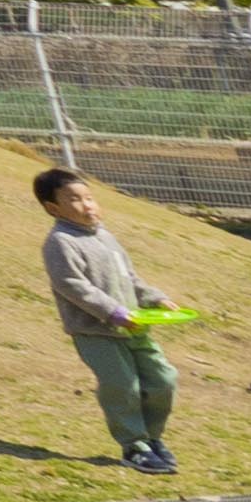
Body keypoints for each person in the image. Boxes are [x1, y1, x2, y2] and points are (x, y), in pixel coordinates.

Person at [36, 164, 184, 473]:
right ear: (53, 208)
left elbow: (129, 279)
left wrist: (155, 298)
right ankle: (133, 446)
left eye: (89, 197)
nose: (86, 204)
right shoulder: (61, 242)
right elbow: (72, 286)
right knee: (122, 386)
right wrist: (113, 312)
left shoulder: (105, 237)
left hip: (135, 326)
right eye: (74, 199)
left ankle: (152, 439)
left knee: (163, 379)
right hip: (95, 330)